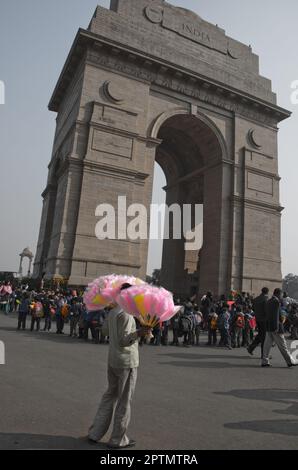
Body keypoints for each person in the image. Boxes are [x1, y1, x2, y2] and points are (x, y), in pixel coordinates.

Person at [88, 283, 150, 449]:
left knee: (110, 395)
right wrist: (139, 333)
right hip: (126, 362)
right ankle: (117, 439)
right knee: (124, 401)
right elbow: (124, 341)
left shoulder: (113, 311)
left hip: (112, 360)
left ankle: (95, 433)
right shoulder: (127, 314)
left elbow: (105, 332)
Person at [262, 288, 297, 368]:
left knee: (267, 345)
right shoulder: (276, 302)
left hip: (269, 326)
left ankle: (265, 361)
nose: (282, 296)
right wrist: (276, 327)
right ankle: (290, 361)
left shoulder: (269, 301)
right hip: (276, 327)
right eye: (281, 295)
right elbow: (275, 316)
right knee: (283, 345)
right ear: (278, 294)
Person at [248, 287, 269, 357]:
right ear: (267, 292)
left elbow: (253, 309)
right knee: (264, 337)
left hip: (258, 319)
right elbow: (266, 310)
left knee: (260, 335)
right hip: (264, 320)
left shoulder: (256, 299)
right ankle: (264, 354)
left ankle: (251, 348)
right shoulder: (266, 299)